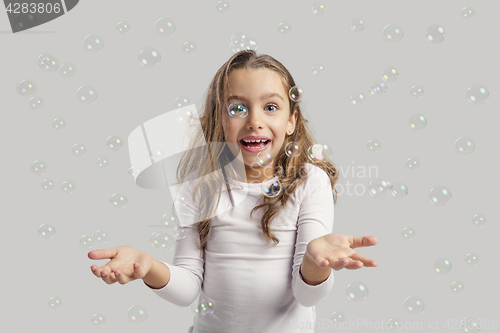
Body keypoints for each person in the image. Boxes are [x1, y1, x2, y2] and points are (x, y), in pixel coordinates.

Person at [88, 50, 378, 333]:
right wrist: (149, 266)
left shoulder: (308, 182)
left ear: (291, 121)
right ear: (220, 120)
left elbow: (308, 296)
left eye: (271, 107)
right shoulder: (200, 184)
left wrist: (316, 262)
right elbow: (187, 287)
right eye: (237, 108)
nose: (254, 121)